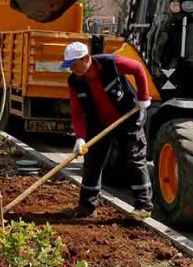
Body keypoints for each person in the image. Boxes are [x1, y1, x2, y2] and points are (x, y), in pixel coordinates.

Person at [61, 41, 153, 220]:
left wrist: (143, 97)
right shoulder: (74, 81)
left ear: (86, 59)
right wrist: (80, 138)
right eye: (69, 66)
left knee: (134, 158)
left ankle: (143, 207)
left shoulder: (110, 63)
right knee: (92, 160)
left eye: (74, 65)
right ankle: (86, 207)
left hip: (128, 116)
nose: (72, 69)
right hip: (99, 123)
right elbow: (77, 111)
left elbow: (138, 68)